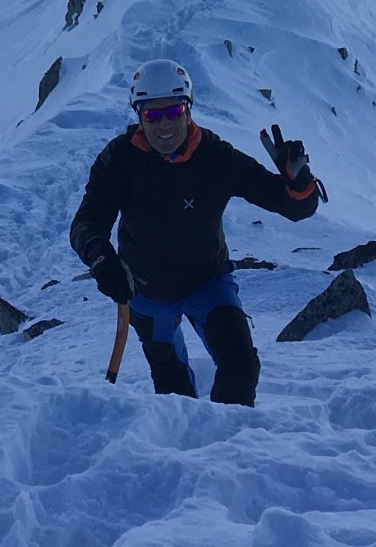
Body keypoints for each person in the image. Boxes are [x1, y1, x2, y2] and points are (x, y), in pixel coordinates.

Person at [68, 57, 323, 406]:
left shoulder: (215, 157)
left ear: (188, 110)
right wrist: (101, 259)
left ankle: (228, 436)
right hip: (143, 290)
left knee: (241, 368)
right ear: (139, 116)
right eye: (152, 115)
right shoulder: (120, 159)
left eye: (174, 111)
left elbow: (293, 207)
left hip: (208, 284)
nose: (164, 124)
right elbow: (87, 222)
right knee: (171, 388)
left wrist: (299, 183)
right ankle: (188, 439)